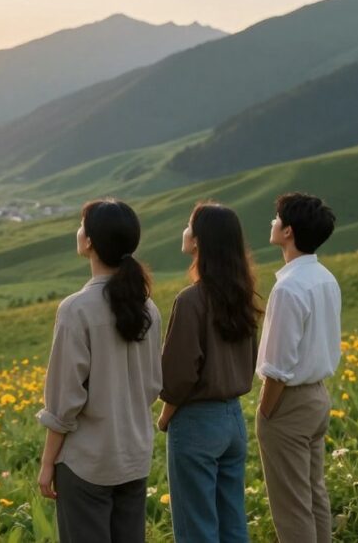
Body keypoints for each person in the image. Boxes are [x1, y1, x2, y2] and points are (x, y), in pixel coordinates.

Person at [36, 199, 162, 543]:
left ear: (89, 241)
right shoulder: (148, 307)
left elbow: (63, 403)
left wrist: (48, 463)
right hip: (134, 456)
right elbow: (153, 386)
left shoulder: (76, 309)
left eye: (81, 226)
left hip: (86, 462)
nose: (78, 232)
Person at [157, 203, 261, 542]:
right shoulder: (242, 297)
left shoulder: (191, 300)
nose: (185, 231)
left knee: (195, 528)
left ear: (200, 241)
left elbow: (179, 376)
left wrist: (164, 417)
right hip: (233, 420)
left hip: (196, 423)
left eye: (189, 225)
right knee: (232, 523)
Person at [256, 193, 340, 543]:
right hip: (318, 396)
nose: (272, 224)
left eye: (276, 219)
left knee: (291, 507)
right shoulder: (325, 278)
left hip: (288, 403)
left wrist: (264, 412)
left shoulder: (287, 288)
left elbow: (277, 367)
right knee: (314, 494)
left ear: (288, 232)